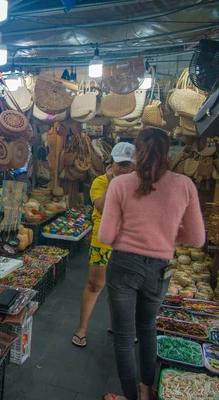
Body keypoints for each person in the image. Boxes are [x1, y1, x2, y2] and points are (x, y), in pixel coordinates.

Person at [99, 128, 205, 400]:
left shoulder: (120, 184)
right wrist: (166, 233)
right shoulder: (184, 185)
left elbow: (105, 236)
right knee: (147, 329)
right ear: (168, 151)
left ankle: (129, 396)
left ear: (137, 151)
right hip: (160, 269)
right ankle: (147, 390)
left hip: (123, 265)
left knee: (123, 337)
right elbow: (196, 238)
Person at [72, 142, 136, 348]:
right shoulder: (100, 182)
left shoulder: (139, 184)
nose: (124, 168)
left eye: (128, 164)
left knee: (122, 288)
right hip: (103, 242)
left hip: (129, 242)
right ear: (112, 164)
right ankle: (82, 328)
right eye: (120, 164)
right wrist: (111, 184)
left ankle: (115, 324)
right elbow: (101, 206)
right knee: (95, 284)